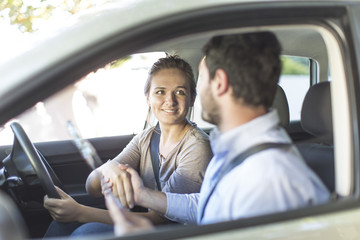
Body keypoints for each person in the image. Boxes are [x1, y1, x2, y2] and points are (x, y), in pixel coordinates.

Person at [103, 31, 331, 235]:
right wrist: (144, 195)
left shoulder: (267, 178)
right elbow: (206, 206)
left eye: (202, 80)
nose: (198, 91)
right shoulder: (239, 151)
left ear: (219, 82)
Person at [43, 55, 213, 237]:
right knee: (60, 226)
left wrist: (81, 212)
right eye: (160, 92)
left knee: (87, 232)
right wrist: (107, 169)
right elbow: (91, 188)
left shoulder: (196, 148)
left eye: (179, 92)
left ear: (192, 98)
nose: (169, 101)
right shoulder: (146, 138)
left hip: (173, 233)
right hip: (146, 225)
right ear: (148, 98)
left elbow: (161, 220)